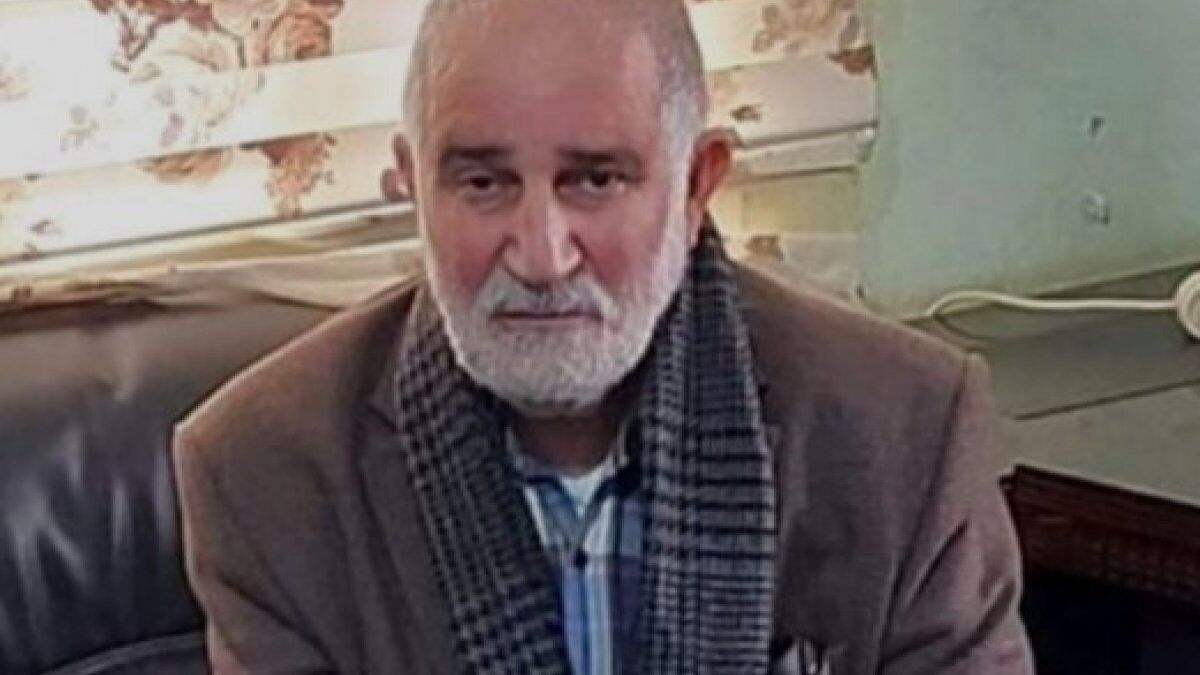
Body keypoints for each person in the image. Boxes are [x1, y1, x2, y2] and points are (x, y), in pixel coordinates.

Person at [174, 0, 1034, 673]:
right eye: (483, 183)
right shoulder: (257, 471)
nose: (541, 256)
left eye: (594, 179)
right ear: (412, 184)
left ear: (696, 187)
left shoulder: (910, 434)